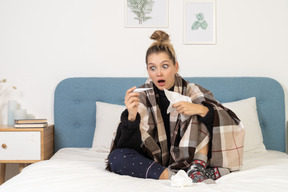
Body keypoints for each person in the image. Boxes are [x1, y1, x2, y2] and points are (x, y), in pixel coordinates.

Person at [106, 30, 244, 183]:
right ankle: (178, 176)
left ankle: (197, 168)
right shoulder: (142, 97)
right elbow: (127, 147)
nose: (159, 73)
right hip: (155, 160)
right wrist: (131, 117)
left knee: (199, 108)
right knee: (116, 158)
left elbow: (229, 122)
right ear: (148, 70)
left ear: (176, 67)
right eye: (153, 68)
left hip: (192, 157)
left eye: (165, 66)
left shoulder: (193, 91)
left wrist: (200, 110)